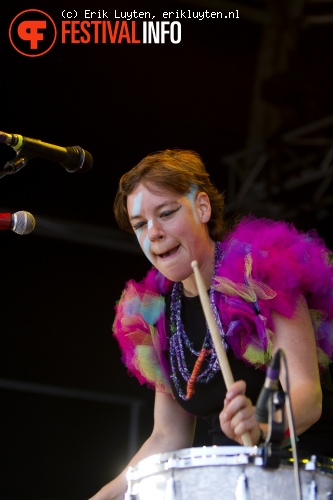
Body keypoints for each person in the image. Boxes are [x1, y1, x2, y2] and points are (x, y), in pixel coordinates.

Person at [90, 149, 333, 500]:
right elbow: (166, 437)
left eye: (167, 213)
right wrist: (103, 495)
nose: (154, 233)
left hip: (301, 476)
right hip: (229, 487)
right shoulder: (157, 317)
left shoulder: (263, 276)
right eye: (140, 224)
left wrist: (263, 428)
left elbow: (307, 397)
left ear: (202, 208)